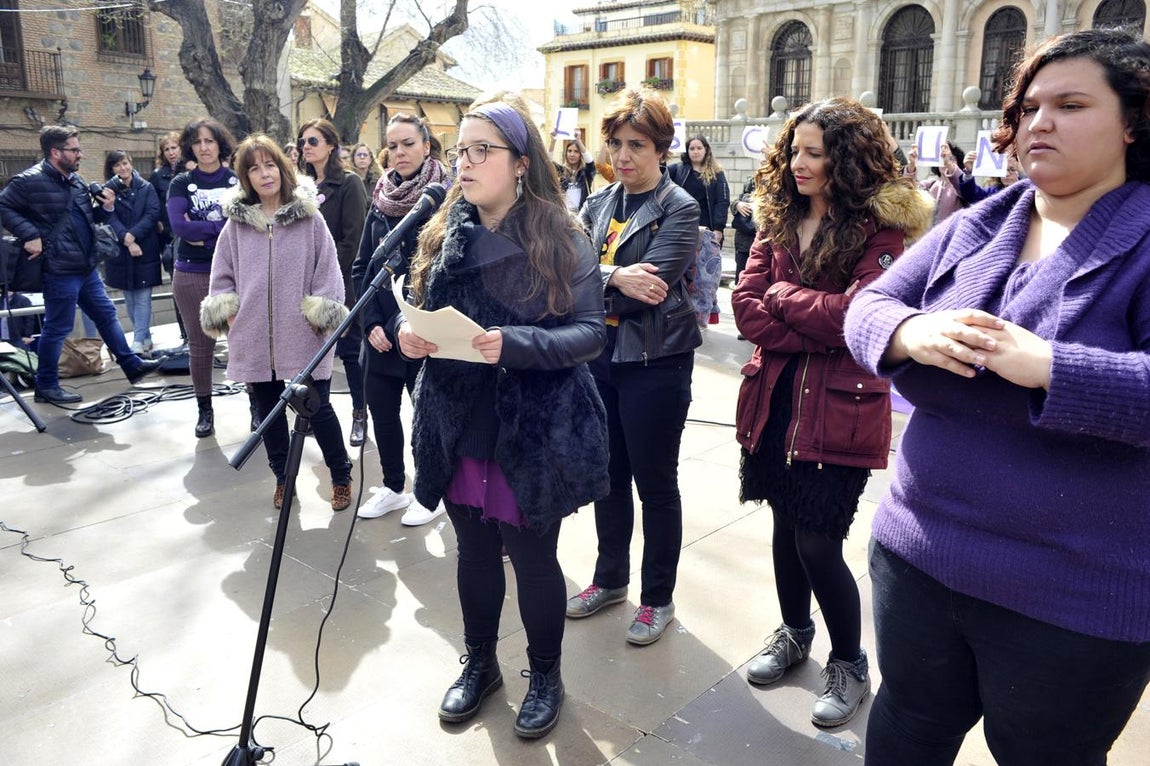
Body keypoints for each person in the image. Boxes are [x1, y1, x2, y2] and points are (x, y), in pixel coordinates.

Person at [843, 29, 1150, 764]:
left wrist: (1050, 365)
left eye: (1071, 104)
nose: (1039, 122)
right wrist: (911, 332)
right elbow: (866, 308)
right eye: (1032, 104)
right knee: (908, 728)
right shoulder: (980, 223)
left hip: (1074, 594)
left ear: (1132, 122)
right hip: (919, 557)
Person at [398, 97, 608, 739]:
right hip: (459, 418)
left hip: (533, 426)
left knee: (534, 557)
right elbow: (421, 308)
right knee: (474, 551)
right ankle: (481, 663)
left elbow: (590, 333)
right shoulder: (441, 229)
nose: (465, 162)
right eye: (460, 150)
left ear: (520, 163)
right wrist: (413, 338)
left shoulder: (560, 236)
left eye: (480, 150)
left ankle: (545, 676)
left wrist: (514, 343)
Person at [732, 98, 932, 729]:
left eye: (814, 153)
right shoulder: (778, 219)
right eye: (795, 150)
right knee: (784, 535)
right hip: (774, 402)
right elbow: (744, 305)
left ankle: (848, 661)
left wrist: (786, 300)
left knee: (818, 544)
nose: (798, 164)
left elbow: (858, 320)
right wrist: (807, 320)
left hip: (839, 410)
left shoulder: (882, 231)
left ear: (846, 161)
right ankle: (794, 633)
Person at [567, 87, 701, 646]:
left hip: (656, 361)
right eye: (616, 143)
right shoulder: (597, 204)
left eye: (637, 145)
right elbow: (564, 277)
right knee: (607, 476)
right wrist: (613, 277)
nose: (624, 156)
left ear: (661, 149)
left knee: (656, 483)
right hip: (601, 356)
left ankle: (657, 598)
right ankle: (609, 579)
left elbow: (653, 288)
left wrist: (601, 281)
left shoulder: (681, 207)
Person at [199, 135, 354, 513]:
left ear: (282, 169)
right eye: (254, 167)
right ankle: (283, 479)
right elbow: (222, 276)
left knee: (317, 408)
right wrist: (233, 317)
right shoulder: (236, 226)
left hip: (302, 332)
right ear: (245, 177)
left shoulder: (309, 218)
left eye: (269, 165)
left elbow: (328, 272)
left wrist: (319, 316)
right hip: (253, 335)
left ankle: (340, 474)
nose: (263, 174)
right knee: (267, 412)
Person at [0, 126, 165, 404]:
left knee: (107, 314)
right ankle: (46, 385)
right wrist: (30, 235)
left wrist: (108, 207)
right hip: (58, 267)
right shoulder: (28, 180)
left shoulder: (76, 181)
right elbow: (3, 206)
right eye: (74, 150)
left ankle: (131, 364)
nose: (80, 154)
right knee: (58, 326)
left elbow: (88, 218)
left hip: (86, 265)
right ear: (55, 152)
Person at [351, 112, 452, 525]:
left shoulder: (443, 199)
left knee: (426, 421)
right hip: (380, 338)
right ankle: (393, 486)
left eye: (408, 143)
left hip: (421, 334)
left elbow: (442, 272)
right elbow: (362, 268)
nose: (399, 152)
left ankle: (430, 492)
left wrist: (408, 323)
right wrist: (371, 324)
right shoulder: (380, 201)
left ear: (426, 146)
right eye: (392, 145)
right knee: (383, 416)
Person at [298, 119, 368, 448]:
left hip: (340, 284)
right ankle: (314, 413)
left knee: (351, 354)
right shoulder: (299, 187)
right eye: (302, 142)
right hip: (305, 286)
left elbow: (352, 240)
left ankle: (359, 413)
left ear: (331, 146)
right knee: (313, 354)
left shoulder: (350, 184)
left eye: (313, 140)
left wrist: (322, 273)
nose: (306, 146)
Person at [168, 117, 239, 438]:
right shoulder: (180, 183)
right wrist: (220, 229)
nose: (204, 147)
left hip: (234, 270)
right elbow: (179, 228)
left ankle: (257, 407)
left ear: (220, 144)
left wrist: (205, 234)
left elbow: (244, 224)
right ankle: (204, 409)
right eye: (197, 142)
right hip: (191, 272)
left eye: (209, 141)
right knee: (200, 346)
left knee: (244, 340)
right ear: (190, 147)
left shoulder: (237, 180)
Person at [100, 150, 162, 355]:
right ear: (112, 169)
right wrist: (125, 238)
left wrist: (133, 235)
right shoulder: (107, 190)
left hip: (145, 248)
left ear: (131, 163)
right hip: (120, 251)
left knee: (143, 297)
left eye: (125, 163)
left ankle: (137, 340)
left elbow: (152, 213)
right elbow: (108, 217)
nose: (123, 168)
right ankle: (144, 337)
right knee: (129, 298)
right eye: (117, 165)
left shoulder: (146, 187)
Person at [668, 134, 729, 325]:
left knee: (705, 277)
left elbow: (722, 202)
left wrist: (718, 228)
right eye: (691, 148)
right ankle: (685, 313)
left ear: (706, 150)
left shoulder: (717, 173)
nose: (695, 151)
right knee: (683, 274)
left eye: (698, 148)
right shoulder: (677, 170)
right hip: (681, 228)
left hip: (706, 233)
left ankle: (701, 316)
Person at [150, 132, 188, 344]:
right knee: (179, 290)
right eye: (167, 149)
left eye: (175, 147)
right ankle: (185, 335)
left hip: (196, 238)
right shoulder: (158, 176)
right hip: (171, 240)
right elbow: (156, 209)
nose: (172, 152)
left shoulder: (190, 170)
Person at [903, 141, 965, 226]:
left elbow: (965, 189)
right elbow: (908, 190)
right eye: (942, 158)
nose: (945, 161)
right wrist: (912, 164)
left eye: (951, 158)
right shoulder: (931, 183)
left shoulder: (961, 184)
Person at [950, 148, 1023, 205]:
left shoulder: (1027, 190)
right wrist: (969, 171)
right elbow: (972, 196)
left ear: (1019, 171)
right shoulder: (992, 192)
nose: (1006, 174)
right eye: (1003, 170)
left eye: (1012, 169)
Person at [552, 135, 596, 212]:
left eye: (576, 151)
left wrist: (578, 141)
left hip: (582, 215)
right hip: (565, 215)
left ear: (580, 155)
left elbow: (590, 162)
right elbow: (546, 163)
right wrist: (553, 141)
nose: (572, 154)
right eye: (569, 151)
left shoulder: (585, 172)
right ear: (566, 153)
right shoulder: (560, 171)